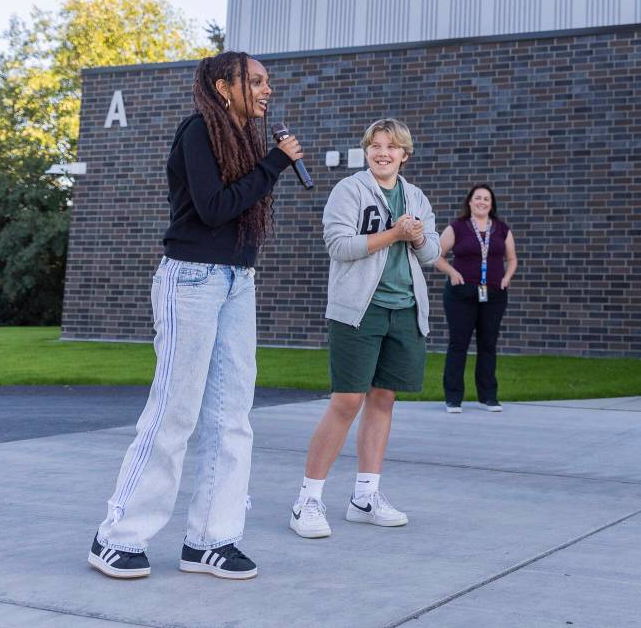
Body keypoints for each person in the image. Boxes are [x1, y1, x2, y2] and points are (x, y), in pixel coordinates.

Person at [88, 52, 303, 580]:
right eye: (255, 81)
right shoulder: (197, 131)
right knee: (175, 410)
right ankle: (117, 537)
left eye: (267, 81)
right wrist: (275, 163)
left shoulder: (244, 142)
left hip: (236, 281)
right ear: (223, 86)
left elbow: (237, 207)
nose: (266, 90)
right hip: (190, 279)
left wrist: (267, 162)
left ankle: (211, 539)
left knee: (232, 416)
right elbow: (212, 207)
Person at [289, 118, 439, 539]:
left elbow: (429, 253)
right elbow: (338, 245)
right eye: (375, 146)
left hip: (404, 309)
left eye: (391, 147)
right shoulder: (350, 190)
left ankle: (365, 497)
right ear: (366, 151)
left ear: (404, 154)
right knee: (346, 400)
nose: (382, 153)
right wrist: (395, 232)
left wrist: (415, 235)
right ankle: (308, 501)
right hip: (358, 310)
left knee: (383, 399)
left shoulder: (416, 196)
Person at [434, 185, 518, 412]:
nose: (482, 202)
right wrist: (452, 272)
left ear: (492, 204)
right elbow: (436, 256)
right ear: (469, 202)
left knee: (488, 345)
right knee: (458, 344)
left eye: (487, 199)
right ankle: (453, 398)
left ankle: (488, 397)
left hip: (494, 294)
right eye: (478, 198)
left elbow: (512, 259)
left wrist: (507, 277)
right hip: (461, 294)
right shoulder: (457, 228)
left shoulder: (502, 229)